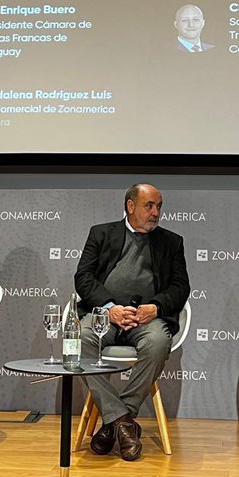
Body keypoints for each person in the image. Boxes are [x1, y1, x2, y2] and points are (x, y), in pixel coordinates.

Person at [75, 183, 190, 461]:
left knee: (158, 342)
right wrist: (110, 308)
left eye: (159, 207)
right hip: (107, 316)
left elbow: (180, 286)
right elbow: (83, 278)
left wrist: (156, 307)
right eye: (149, 206)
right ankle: (124, 422)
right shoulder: (101, 233)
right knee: (82, 339)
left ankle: (114, 422)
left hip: (146, 318)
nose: (156, 213)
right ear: (130, 206)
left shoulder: (171, 242)